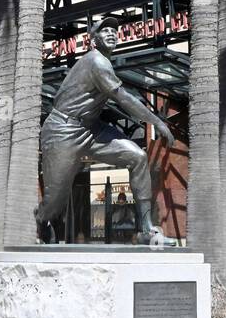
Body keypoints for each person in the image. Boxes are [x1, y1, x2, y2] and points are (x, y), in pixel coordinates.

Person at [38, 17, 176, 245]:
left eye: (114, 29)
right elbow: (124, 98)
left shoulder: (104, 62)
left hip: (91, 128)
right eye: (105, 31)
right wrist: (159, 123)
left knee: (138, 156)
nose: (111, 33)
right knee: (55, 201)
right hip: (63, 130)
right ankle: (43, 220)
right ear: (93, 40)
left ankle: (146, 230)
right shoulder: (96, 62)